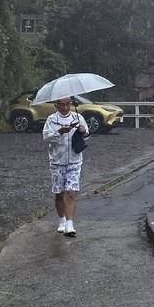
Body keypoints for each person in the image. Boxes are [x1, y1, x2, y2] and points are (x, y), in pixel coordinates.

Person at [43, 97, 89, 237]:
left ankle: (70, 224)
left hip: (74, 160)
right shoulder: (51, 120)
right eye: (61, 105)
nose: (64, 107)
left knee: (71, 191)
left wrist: (83, 131)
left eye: (67, 104)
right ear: (56, 106)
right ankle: (62, 220)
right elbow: (46, 138)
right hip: (57, 161)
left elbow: (87, 136)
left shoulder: (78, 117)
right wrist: (59, 132)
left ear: (70, 104)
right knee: (59, 192)